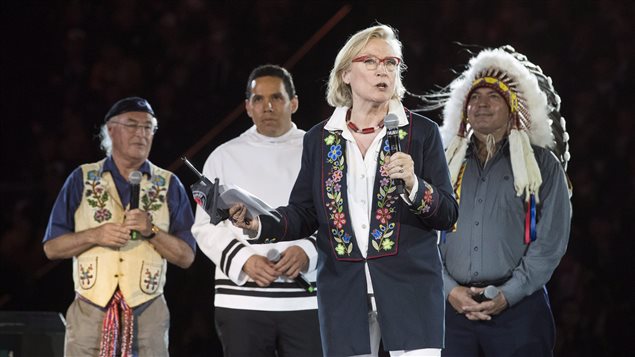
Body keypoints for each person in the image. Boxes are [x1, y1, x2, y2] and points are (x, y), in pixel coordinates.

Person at [230, 25, 458, 357]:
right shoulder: (321, 138)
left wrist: (414, 185)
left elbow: (448, 213)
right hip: (342, 290)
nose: (383, 69)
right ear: (346, 74)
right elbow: (305, 212)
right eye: (371, 61)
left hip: (411, 289)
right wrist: (259, 223)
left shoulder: (421, 132)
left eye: (391, 62)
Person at [429, 46, 572, 356]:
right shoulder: (441, 163)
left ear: (513, 107)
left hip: (519, 311)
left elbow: (550, 241)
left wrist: (509, 294)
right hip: (450, 311)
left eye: (493, 96)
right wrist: (448, 289)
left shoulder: (542, 165)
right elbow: (421, 234)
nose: (481, 104)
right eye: (474, 98)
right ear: (463, 109)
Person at [43, 97, 196, 356]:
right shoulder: (81, 178)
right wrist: (95, 234)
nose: (141, 134)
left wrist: (153, 232)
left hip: (148, 311)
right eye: (132, 125)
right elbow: (51, 248)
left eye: (148, 127)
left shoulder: (169, 184)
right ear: (111, 130)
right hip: (90, 310)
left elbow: (187, 256)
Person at [191, 64, 322, 356]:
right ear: (248, 107)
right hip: (241, 301)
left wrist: (308, 252)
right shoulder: (223, 156)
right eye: (258, 99)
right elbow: (203, 226)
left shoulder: (318, 153)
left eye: (276, 97)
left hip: (307, 299)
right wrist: (243, 260)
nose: (268, 106)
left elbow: (338, 217)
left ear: (294, 103)